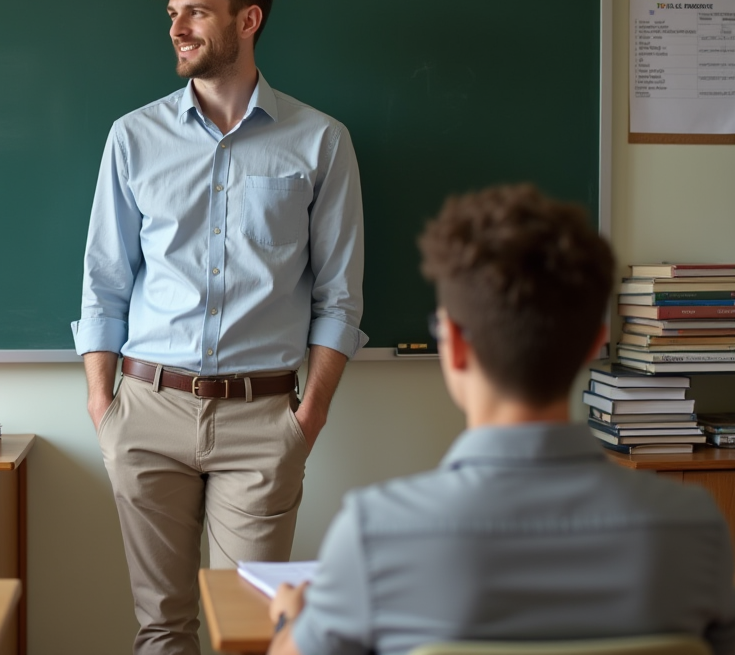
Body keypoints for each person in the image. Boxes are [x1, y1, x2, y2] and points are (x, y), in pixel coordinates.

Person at [267, 184, 735, 655]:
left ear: (455, 342)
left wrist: (295, 617)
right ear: (594, 344)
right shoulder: (695, 529)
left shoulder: (375, 534)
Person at [72, 0, 366, 655]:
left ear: (248, 20)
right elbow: (104, 281)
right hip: (146, 412)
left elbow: (340, 294)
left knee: (254, 634)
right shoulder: (132, 138)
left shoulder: (320, 142)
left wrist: (308, 416)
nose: (176, 28)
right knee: (161, 630)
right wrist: (103, 406)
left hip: (262, 421)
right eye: (173, 13)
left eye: (196, 12)